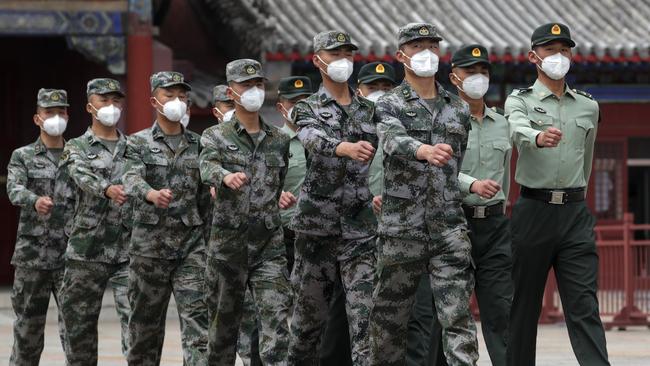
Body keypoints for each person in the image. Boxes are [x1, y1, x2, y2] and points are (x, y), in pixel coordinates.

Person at [369, 22, 479, 365]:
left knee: (458, 316)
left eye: (432, 46)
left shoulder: (458, 108)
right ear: (402, 56)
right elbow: (390, 140)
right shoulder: (388, 103)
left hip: (448, 227)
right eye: (418, 47)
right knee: (389, 319)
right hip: (402, 229)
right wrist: (423, 150)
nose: (426, 53)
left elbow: (455, 162)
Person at [505, 23, 609, 366]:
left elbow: (588, 158)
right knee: (524, 306)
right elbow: (516, 130)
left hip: (575, 215)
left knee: (584, 305)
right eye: (551, 51)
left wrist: (575, 194)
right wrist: (536, 137)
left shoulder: (587, 107)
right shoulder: (519, 100)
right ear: (534, 56)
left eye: (565, 50)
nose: (559, 57)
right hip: (533, 210)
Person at [288, 30, 377, 365]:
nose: (343, 60)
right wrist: (345, 148)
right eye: (335, 53)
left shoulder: (370, 110)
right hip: (316, 230)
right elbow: (311, 138)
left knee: (366, 320)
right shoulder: (305, 108)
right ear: (318, 60)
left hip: (361, 230)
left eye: (347, 54)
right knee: (307, 324)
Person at [199, 59, 293, 365]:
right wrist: (224, 176)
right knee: (223, 333)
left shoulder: (278, 140)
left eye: (258, 85)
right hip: (228, 247)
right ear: (231, 91)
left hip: (269, 247)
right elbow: (206, 165)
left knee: (277, 325)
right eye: (245, 85)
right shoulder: (215, 136)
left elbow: (277, 182)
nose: (253, 90)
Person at [123, 71, 209, 365]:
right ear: (154, 101)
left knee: (199, 324)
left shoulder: (201, 144)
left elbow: (205, 195)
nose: (177, 101)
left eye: (182, 96)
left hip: (191, 247)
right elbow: (130, 178)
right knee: (144, 329)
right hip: (149, 249)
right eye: (169, 95)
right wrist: (150, 194)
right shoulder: (136, 143)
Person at [58, 78, 132, 365]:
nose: (111, 107)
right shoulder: (75, 147)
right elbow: (80, 175)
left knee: (137, 323)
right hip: (86, 250)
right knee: (79, 326)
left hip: (128, 249)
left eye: (116, 101)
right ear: (91, 106)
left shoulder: (134, 147)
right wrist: (107, 189)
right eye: (104, 101)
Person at [451, 44, 513, 366]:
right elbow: (441, 170)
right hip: (455, 225)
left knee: (501, 310)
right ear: (454, 77)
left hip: (494, 226)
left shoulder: (503, 124)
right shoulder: (444, 122)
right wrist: (471, 184)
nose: (478, 77)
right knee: (452, 313)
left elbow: (509, 172)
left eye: (483, 71)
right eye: (470, 71)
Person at [7, 88, 71, 365]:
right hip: (32, 256)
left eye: (61, 112)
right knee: (28, 331)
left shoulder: (77, 154)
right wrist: (34, 201)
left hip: (72, 255)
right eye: (49, 112)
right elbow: (14, 189)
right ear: (37, 118)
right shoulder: (22, 156)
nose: (56, 117)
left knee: (76, 330)